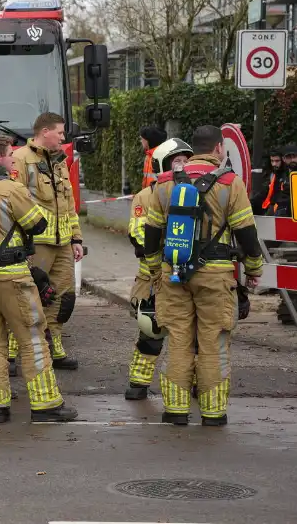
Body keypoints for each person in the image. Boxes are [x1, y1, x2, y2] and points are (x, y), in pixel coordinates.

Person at [143, 125, 263, 426]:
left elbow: (152, 234)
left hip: (174, 274)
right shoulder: (230, 183)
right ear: (219, 149)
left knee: (178, 341)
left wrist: (156, 269)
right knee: (214, 343)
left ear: (193, 149)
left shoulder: (165, 182)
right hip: (216, 274)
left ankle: (176, 411)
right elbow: (246, 233)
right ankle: (212, 413)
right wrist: (253, 269)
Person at [0, 134, 77, 423]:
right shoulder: (10, 188)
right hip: (12, 275)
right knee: (32, 338)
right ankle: (46, 405)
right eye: (9, 155)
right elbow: (37, 224)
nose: (13, 159)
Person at [6, 112, 82, 372]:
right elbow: (14, 203)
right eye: (60, 133)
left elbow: (69, 202)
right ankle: (14, 351)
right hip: (36, 243)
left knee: (62, 298)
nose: (63, 137)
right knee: (29, 298)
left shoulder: (60, 161)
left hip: (62, 243)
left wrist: (76, 238)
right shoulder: (20, 159)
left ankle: (54, 347)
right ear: (45, 132)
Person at [124, 137, 193, 400]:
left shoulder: (196, 189)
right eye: (177, 161)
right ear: (163, 165)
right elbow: (138, 234)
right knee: (151, 328)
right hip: (154, 272)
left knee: (193, 332)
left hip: (189, 271)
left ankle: (195, 381)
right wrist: (164, 255)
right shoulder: (146, 195)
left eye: (187, 160)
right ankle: (139, 383)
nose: (183, 166)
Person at [249, 147, 282, 215]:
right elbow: (267, 190)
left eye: (277, 161)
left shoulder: (285, 175)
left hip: (278, 207)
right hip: (270, 205)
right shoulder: (273, 174)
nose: (274, 164)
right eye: (272, 161)